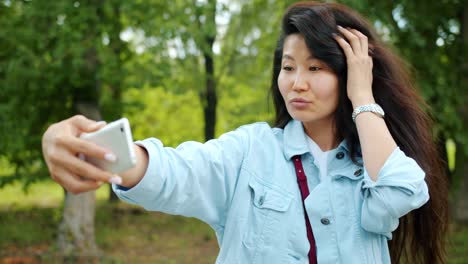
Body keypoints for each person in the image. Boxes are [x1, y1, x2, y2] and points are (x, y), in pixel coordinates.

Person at [41, 1, 448, 263]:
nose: (296, 83)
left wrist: (362, 93)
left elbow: (400, 191)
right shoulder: (250, 151)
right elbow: (176, 171)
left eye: (316, 68)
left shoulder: (371, 164)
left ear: (349, 75)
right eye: (288, 67)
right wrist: (97, 151)